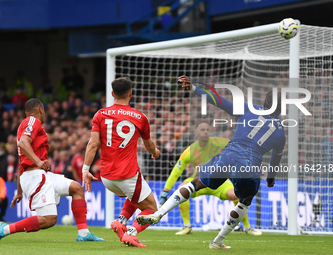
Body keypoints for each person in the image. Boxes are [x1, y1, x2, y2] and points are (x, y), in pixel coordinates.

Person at [137, 75, 285, 249]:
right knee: (245, 200)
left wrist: (194, 89)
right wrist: (269, 180)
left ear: (265, 103)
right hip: (250, 166)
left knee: (196, 182)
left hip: (228, 157)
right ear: (280, 108)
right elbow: (275, 160)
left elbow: (220, 102)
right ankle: (218, 241)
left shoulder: (249, 109)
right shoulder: (281, 132)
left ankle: (159, 213)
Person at [0, 98, 103, 242]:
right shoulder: (32, 121)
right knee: (49, 220)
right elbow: (24, 143)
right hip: (35, 176)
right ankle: (4, 229)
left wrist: (18, 192)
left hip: (39, 174)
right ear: (41, 109)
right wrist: (38, 161)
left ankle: (84, 234)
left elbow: (21, 162)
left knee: (77, 189)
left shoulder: (26, 128)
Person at [82, 77, 160, 247]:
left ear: (112, 94)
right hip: (128, 174)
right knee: (153, 210)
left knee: (134, 196)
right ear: (130, 94)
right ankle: (131, 233)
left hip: (107, 177)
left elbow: (93, 144)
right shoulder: (140, 117)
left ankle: (121, 221)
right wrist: (155, 151)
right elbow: (148, 145)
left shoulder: (100, 114)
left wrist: (85, 170)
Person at [159, 121, 261, 236]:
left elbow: (236, 147)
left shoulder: (219, 143)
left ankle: (247, 228)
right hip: (198, 182)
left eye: (207, 130)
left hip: (220, 181)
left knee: (236, 194)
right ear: (196, 133)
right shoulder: (190, 151)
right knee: (181, 188)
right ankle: (187, 226)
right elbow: (176, 171)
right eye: (202, 130)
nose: (205, 132)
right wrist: (165, 192)